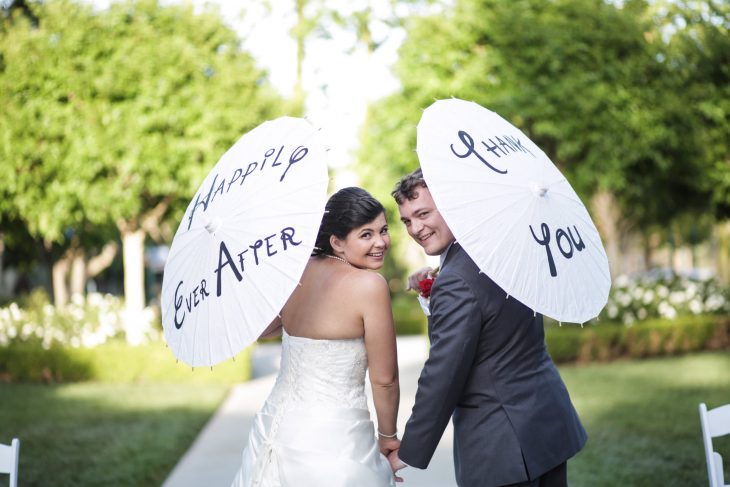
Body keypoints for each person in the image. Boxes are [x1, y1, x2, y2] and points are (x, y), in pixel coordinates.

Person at [388, 168, 587, 487]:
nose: (416, 228)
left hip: (500, 445)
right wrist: (432, 289)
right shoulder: (502, 251)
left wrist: (409, 451)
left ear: (451, 204)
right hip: (546, 427)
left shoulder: (455, 279)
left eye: (423, 214)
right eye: (407, 220)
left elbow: (444, 370)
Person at [230, 187, 401, 487]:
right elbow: (384, 379)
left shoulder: (297, 272)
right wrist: (388, 437)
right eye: (366, 234)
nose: (381, 242)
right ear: (337, 241)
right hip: (335, 437)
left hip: (275, 425)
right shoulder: (369, 286)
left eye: (383, 230)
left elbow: (263, 329)